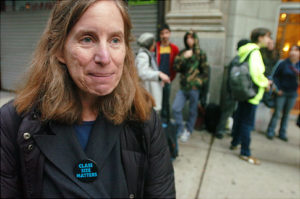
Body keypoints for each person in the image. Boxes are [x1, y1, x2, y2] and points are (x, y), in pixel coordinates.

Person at [0, 1, 175, 198]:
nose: (104, 57)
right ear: (58, 49)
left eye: (115, 40)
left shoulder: (142, 120)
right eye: (87, 39)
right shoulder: (12, 124)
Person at [230, 28, 272, 165]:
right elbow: (256, 73)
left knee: (239, 118)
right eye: (267, 37)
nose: (268, 40)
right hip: (252, 94)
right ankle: (245, 152)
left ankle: (234, 142)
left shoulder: (246, 50)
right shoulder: (255, 52)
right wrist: (266, 83)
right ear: (260, 38)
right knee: (247, 123)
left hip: (244, 91)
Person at [172, 31, 209, 142]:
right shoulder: (183, 52)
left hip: (194, 88)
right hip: (183, 88)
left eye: (191, 38)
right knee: (176, 108)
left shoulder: (201, 54)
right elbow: (176, 67)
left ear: (196, 39)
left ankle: (188, 130)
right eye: (187, 38)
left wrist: (198, 83)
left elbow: (205, 72)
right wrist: (184, 57)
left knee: (193, 111)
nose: (189, 40)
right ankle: (180, 128)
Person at [215, 39, 251, 139]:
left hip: (237, 92)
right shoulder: (238, 60)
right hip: (233, 92)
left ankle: (231, 130)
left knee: (234, 113)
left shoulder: (242, 59)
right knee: (227, 111)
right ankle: (220, 130)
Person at [266, 45, 300, 141]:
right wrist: (277, 89)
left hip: (292, 93)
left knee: (287, 114)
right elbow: (275, 76)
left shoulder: (299, 65)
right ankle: (271, 131)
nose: (293, 53)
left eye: (296, 51)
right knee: (277, 112)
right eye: (292, 50)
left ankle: (282, 132)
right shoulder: (283, 63)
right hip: (282, 92)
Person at [135, 32, 170, 112]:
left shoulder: (149, 54)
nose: (155, 45)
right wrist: (159, 75)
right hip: (148, 93)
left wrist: (160, 78)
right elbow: (142, 73)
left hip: (151, 92)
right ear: (150, 44)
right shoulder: (143, 55)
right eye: (153, 42)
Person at [156, 23, 179, 123]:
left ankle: (165, 122)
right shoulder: (155, 47)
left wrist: (170, 79)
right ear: (159, 35)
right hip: (156, 80)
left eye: (166, 32)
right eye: (162, 33)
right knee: (156, 102)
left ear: (170, 33)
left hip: (168, 80)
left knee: (166, 102)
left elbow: (176, 66)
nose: (164, 35)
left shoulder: (174, 49)